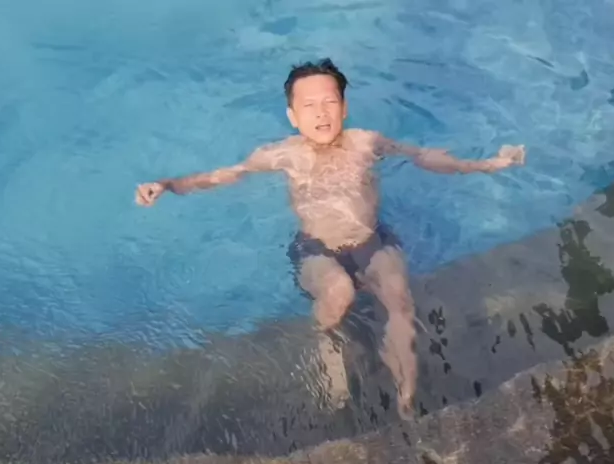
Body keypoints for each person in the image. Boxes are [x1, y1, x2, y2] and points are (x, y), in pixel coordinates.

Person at [135, 58, 525, 419]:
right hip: (315, 250)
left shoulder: (366, 142)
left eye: (329, 102)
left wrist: (487, 165)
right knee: (339, 291)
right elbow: (223, 175)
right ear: (292, 115)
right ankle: (325, 339)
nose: (321, 113)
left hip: (372, 241)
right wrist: (167, 185)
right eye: (309, 105)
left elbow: (423, 155)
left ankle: (406, 398)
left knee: (400, 298)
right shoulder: (282, 155)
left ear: (344, 107)